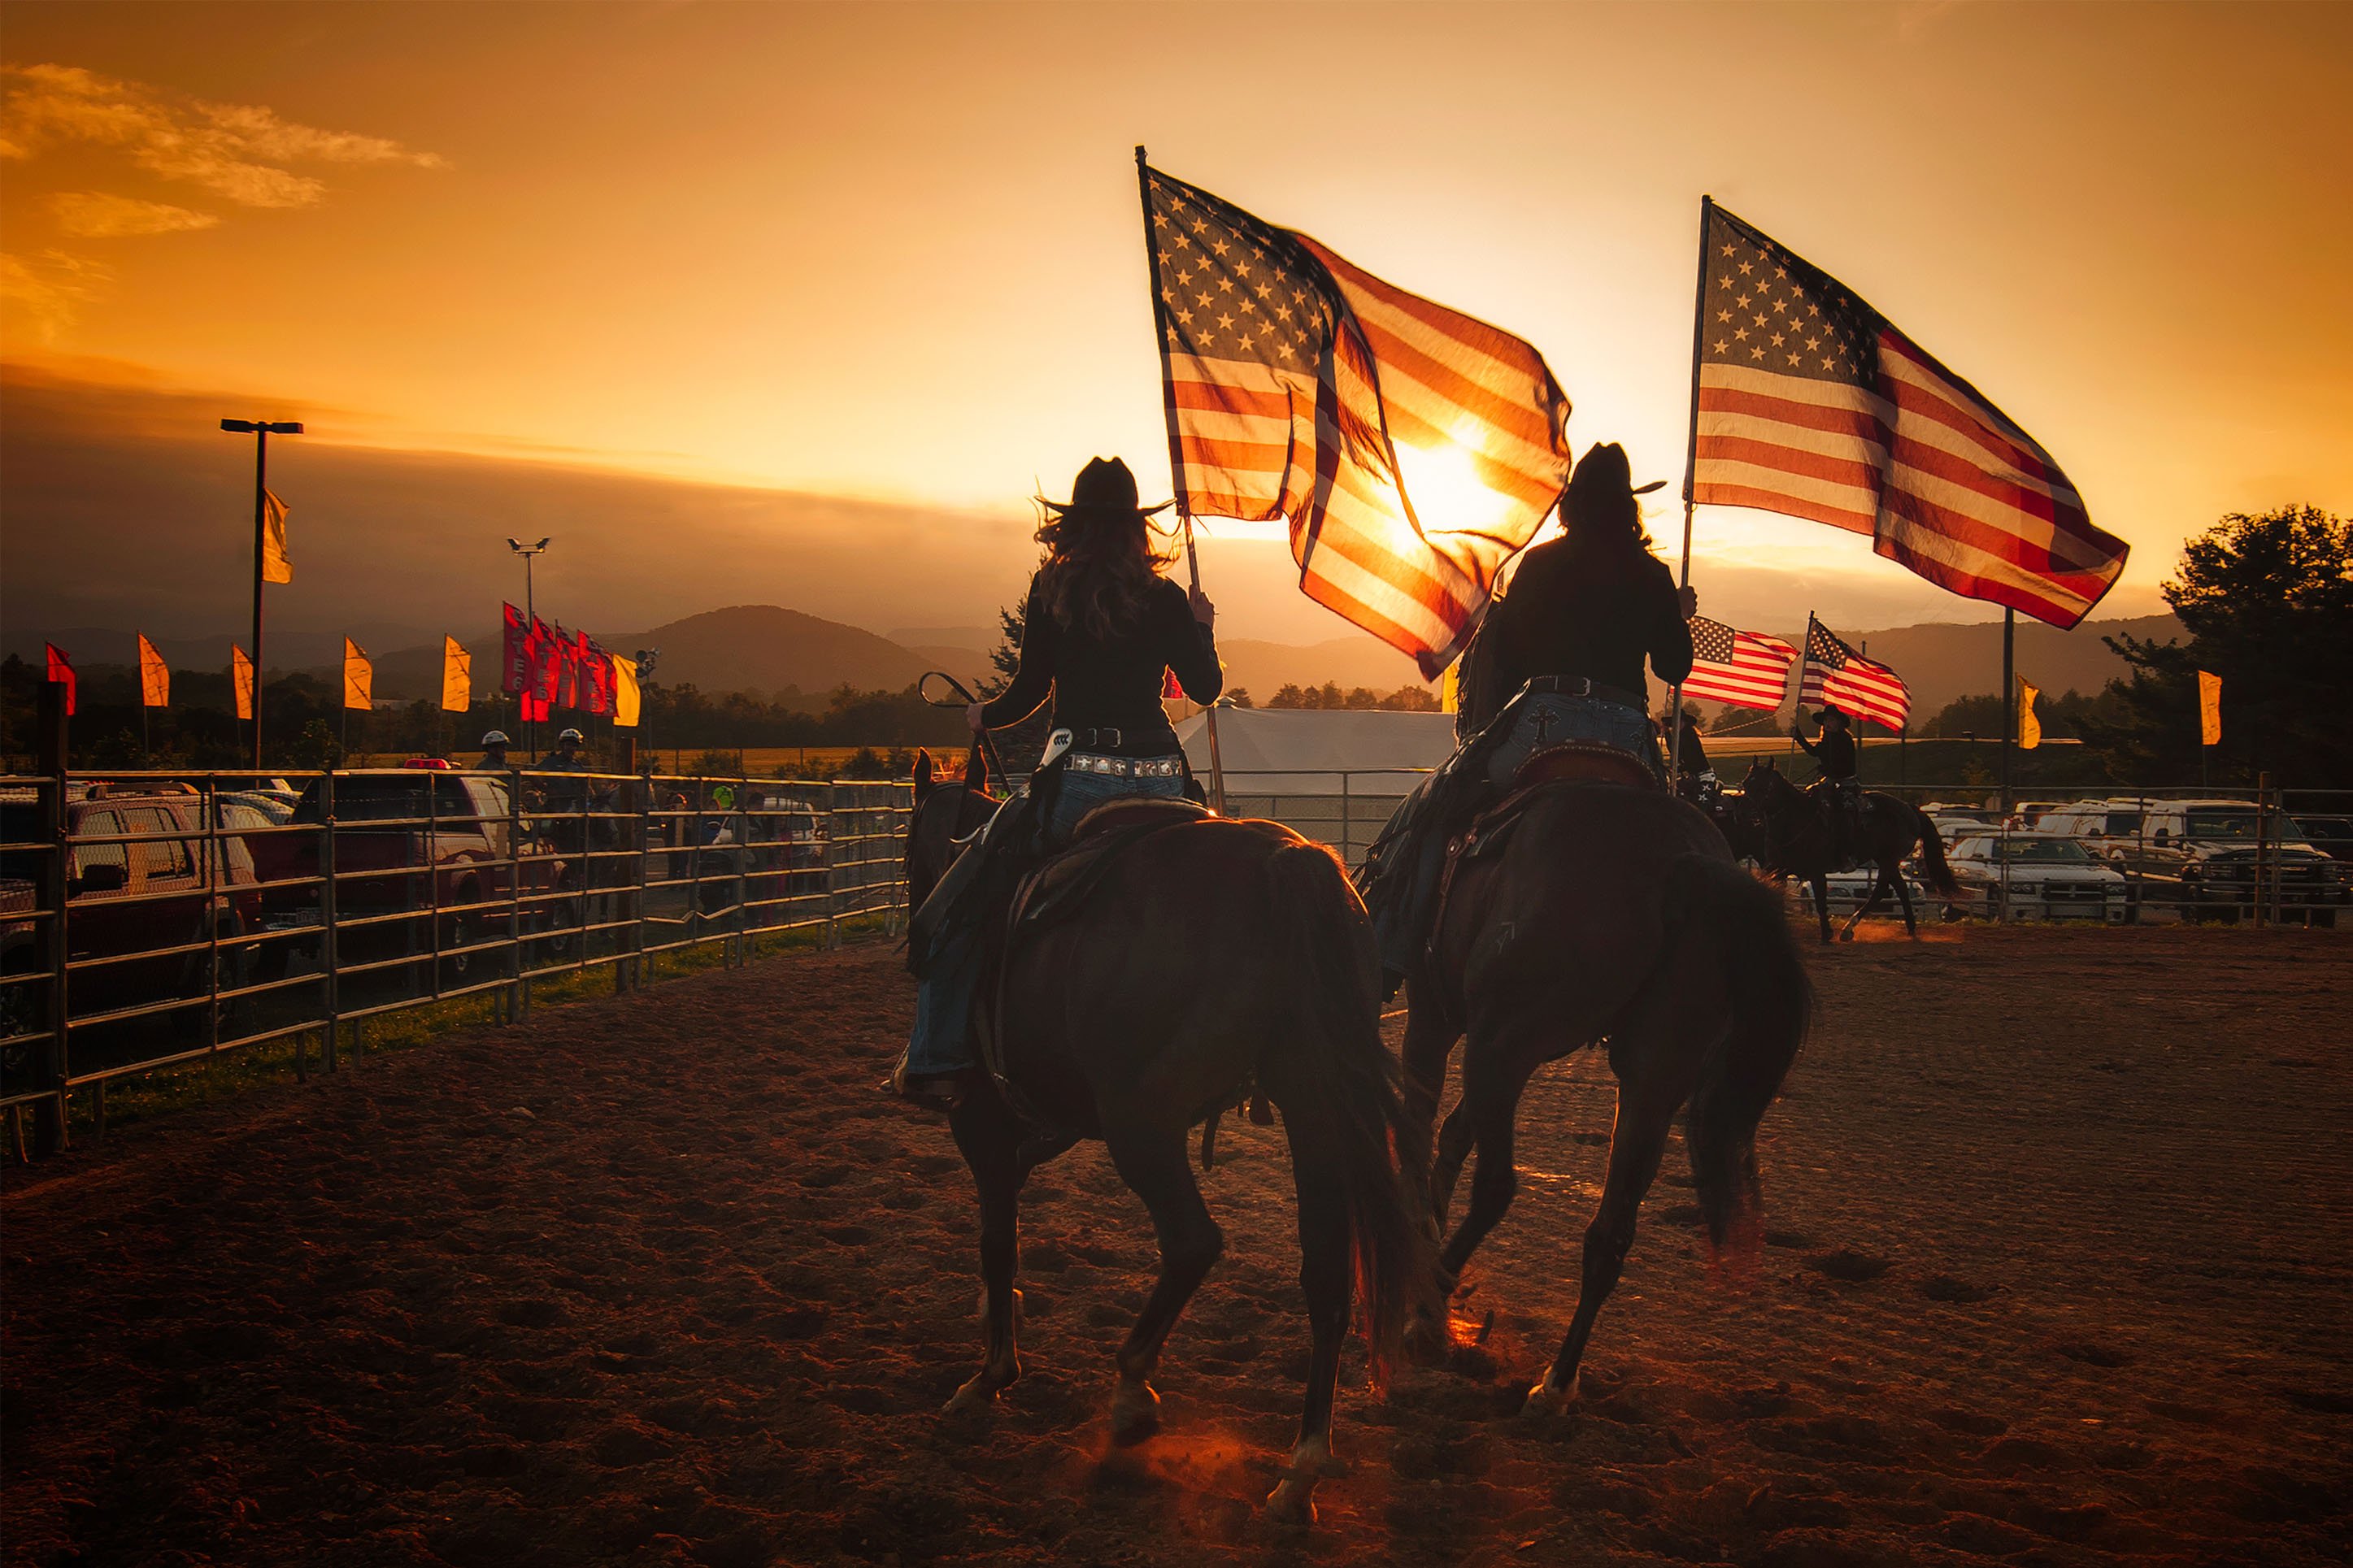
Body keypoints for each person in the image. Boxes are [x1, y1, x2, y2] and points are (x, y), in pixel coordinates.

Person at [891, 455, 1222, 1110]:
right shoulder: (1162, 598)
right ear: (1137, 529)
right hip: (1162, 784)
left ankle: (936, 1055)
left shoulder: (1052, 590)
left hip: (1078, 784)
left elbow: (1029, 694)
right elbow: (1207, 689)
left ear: (1069, 526)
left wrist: (985, 712)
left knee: (962, 898)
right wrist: (1203, 628)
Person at [1360, 441, 1695, 988]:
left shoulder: (1539, 565)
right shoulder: (1652, 573)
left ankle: (1390, 950)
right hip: (1627, 738)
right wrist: (1676, 614)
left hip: (1545, 729)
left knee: (1438, 805)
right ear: (1627, 507)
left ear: (1572, 505)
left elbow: (1506, 658)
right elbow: (1675, 667)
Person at [1794, 705, 1860, 865]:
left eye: (1831, 720)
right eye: (1826, 721)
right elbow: (1814, 752)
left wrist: (1829, 769)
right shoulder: (1826, 740)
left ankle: (1846, 849)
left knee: (1841, 811)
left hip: (1845, 782)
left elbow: (1846, 766)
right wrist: (1799, 737)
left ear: (1839, 723)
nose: (1827, 724)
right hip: (1829, 780)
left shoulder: (1845, 740)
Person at [1663, 706, 1716, 803]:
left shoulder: (1688, 735)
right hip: (1696, 776)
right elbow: (1676, 751)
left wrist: (1676, 769)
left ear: (1683, 722)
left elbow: (1677, 751)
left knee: (1699, 805)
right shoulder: (1685, 735)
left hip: (1703, 777)